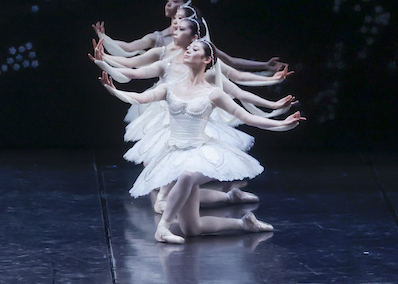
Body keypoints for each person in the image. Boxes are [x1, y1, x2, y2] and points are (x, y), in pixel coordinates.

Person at [99, 39, 303, 243]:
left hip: (201, 153)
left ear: (206, 59)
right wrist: (114, 90)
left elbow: (246, 117)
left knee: (187, 176)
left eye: (194, 49)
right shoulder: (170, 87)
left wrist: (281, 124)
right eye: (188, 49)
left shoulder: (213, 93)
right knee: (192, 228)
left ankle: (163, 227)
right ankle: (244, 223)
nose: (187, 51)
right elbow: (141, 98)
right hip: (175, 152)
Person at [93, 0, 287, 72]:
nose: (169, 4)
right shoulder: (158, 38)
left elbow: (229, 62)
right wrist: (105, 39)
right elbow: (129, 48)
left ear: (186, 7)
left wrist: (264, 65)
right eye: (168, 0)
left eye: (175, 1)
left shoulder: (196, 41)